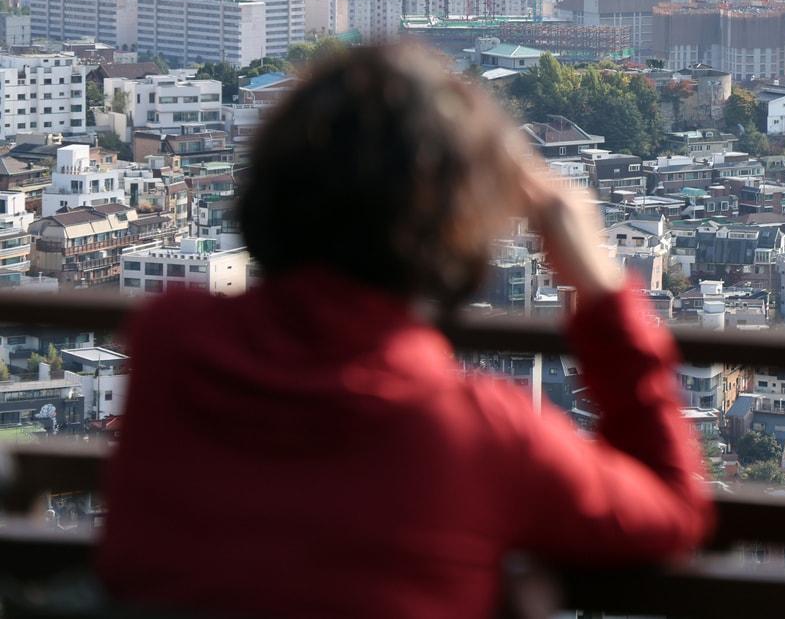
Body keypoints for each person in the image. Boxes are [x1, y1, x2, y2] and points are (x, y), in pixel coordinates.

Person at [98, 43, 712, 618]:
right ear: (454, 237)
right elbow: (673, 510)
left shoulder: (170, 343)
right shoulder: (479, 431)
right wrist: (598, 285)